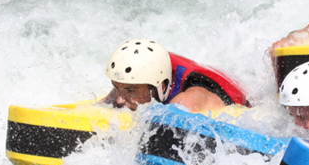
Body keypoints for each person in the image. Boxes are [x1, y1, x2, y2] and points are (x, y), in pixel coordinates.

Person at [104, 38, 249, 112]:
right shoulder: (140, 80)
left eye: (130, 90)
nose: (120, 100)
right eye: (117, 87)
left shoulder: (188, 100)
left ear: (159, 87)